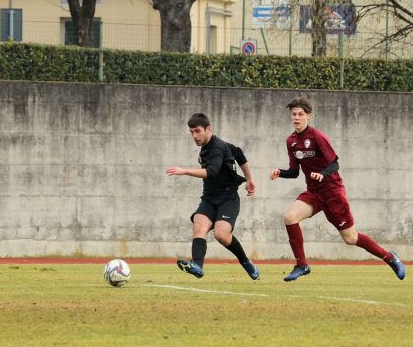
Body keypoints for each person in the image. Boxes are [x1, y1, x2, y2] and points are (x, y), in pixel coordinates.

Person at [270, 96, 405, 281]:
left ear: (309, 115)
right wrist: (280, 172)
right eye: (293, 114)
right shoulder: (291, 141)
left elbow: (334, 164)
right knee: (290, 217)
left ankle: (390, 258)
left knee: (350, 238)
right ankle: (302, 265)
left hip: (332, 192)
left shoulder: (317, 137)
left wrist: (322, 174)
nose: (296, 118)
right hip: (314, 193)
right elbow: (294, 172)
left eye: (301, 114)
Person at [166, 112, 259, 280]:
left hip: (227, 198)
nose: (194, 136)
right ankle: (197, 266)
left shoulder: (217, 147)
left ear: (208, 129)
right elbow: (238, 153)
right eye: (191, 132)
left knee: (221, 235)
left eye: (197, 131)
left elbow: (212, 171)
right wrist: (250, 180)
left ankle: (245, 262)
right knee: (199, 226)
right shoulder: (214, 146)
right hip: (209, 198)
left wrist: (184, 171)